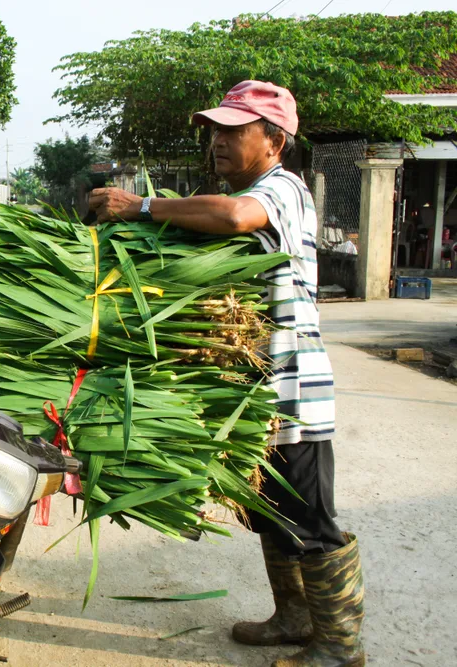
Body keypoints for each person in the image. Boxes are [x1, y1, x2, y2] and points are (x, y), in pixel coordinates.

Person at [88, 81, 365, 667]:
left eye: (234, 130)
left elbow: (238, 216)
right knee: (269, 510)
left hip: (294, 391)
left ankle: (341, 648)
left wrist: (139, 206)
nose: (218, 140)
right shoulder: (244, 191)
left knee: (312, 517)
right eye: (215, 130)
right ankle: (293, 618)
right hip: (259, 394)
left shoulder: (282, 189)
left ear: (274, 140)